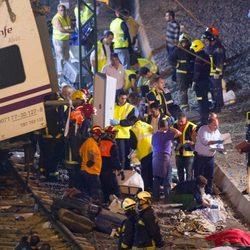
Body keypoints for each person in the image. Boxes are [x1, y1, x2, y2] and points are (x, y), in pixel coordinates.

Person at [152, 119, 181, 201]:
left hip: (155, 158)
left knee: (156, 178)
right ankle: (168, 198)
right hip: (164, 159)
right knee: (167, 179)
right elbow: (179, 133)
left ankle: (155, 197)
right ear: (166, 127)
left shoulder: (154, 135)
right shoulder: (167, 135)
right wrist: (170, 128)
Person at [193, 116, 224, 194]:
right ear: (209, 124)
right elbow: (205, 142)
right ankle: (197, 193)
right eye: (214, 125)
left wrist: (221, 149)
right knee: (198, 176)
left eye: (217, 125)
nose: (216, 127)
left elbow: (220, 144)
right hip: (200, 157)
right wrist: (217, 141)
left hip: (210, 158)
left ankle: (208, 193)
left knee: (210, 176)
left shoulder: (217, 131)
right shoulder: (203, 129)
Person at [169, 33, 194, 111]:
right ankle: (184, 106)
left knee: (196, 86)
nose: (184, 44)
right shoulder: (177, 50)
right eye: (182, 42)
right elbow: (171, 59)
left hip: (190, 72)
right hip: (181, 73)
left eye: (185, 42)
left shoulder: (190, 49)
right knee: (183, 90)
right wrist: (176, 65)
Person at [111, 90, 135, 170]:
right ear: (118, 97)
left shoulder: (130, 107)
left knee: (125, 157)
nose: (123, 100)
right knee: (119, 156)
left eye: (125, 98)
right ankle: (121, 172)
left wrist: (119, 122)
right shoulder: (112, 106)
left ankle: (125, 172)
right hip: (114, 134)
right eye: (122, 98)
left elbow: (131, 121)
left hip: (125, 135)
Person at [202, 30, 226, 113]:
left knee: (217, 89)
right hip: (210, 72)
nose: (205, 42)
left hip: (216, 73)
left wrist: (217, 72)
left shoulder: (217, 48)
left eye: (206, 40)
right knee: (212, 89)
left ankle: (218, 106)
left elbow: (220, 61)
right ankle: (216, 104)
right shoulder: (209, 48)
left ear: (211, 39)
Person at [79, 125, 103, 202]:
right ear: (96, 135)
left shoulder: (87, 142)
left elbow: (80, 152)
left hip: (84, 170)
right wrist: (91, 162)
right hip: (91, 172)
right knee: (94, 193)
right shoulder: (92, 144)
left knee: (86, 193)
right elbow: (91, 153)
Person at [129, 116, 153, 191]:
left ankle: (145, 189)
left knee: (145, 172)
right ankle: (153, 188)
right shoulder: (148, 125)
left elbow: (133, 144)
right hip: (153, 149)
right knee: (151, 170)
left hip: (144, 152)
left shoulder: (133, 129)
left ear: (132, 122)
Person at [190, 39, 211, 125]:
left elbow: (197, 72)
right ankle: (207, 118)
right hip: (206, 81)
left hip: (200, 83)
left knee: (201, 102)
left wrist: (194, 82)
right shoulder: (206, 56)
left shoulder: (198, 58)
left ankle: (204, 120)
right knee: (205, 100)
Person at [99, 126, 122, 203]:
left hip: (99, 169)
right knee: (115, 188)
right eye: (114, 133)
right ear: (110, 134)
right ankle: (117, 204)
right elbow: (115, 159)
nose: (115, 135)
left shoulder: (99, 142)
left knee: (104, 187)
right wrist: (119, 169)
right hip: (109, 170)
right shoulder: (112, 144)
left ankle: (105, 202)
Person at [173, 112, 197, 182]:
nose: (180, 123)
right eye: (179, 121)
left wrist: (188, 143)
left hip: (189, 155)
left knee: (189, 174)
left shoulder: (192, 127)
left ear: (186, 119)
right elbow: (171, 135)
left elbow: (195, 140)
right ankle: (181, 189)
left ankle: (188, 190)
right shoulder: (174, 126)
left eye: (182, 121)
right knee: (180, 173)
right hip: (178, 153)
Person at [52, 4, 74, 76]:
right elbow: (61, 29)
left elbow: (70, 25)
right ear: (58, 11)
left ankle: (67, 72)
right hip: (58, 40)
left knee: (67, 57)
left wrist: (72, 28)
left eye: (64, 10)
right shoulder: (56, 18)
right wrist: (71, 31)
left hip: (66, 39)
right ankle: (60, 73)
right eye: (61, 10)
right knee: (60, 57)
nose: (63, 12)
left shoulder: (67, 17)